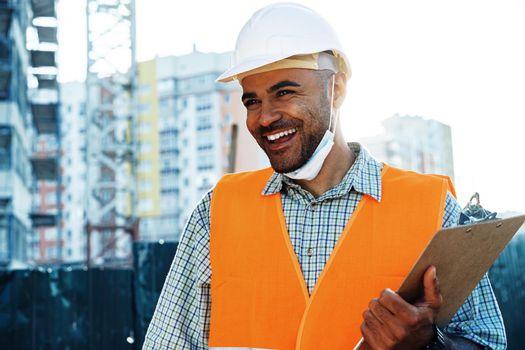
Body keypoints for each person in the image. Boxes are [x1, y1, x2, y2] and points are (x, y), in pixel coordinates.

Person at [143, 3, 506, 350]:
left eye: (284, 92)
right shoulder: (218, 211)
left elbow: (485, 341)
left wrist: (429, 343)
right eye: (251, 101)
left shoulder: (429, 208)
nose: (263, 117)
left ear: (337, 89)